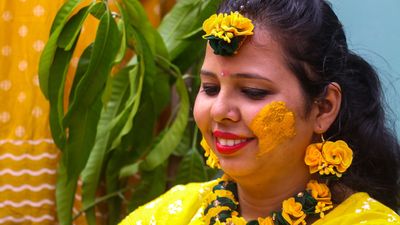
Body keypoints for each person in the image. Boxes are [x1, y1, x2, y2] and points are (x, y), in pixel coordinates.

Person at [119, 0, 400, 224]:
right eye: (210, 87)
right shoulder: (165, 216)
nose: (219, 111)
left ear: (323, 108)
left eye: (253, 91)